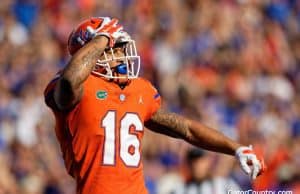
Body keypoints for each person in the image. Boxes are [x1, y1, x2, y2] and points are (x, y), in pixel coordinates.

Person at [44, 17, 266, 194]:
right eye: (116, 48)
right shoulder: (75, 88)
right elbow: (69, 81)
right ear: (93, 51)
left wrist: (235, 148)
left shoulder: (137, 90)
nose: (123, 55)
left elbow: (185, 128)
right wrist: (102, 38)